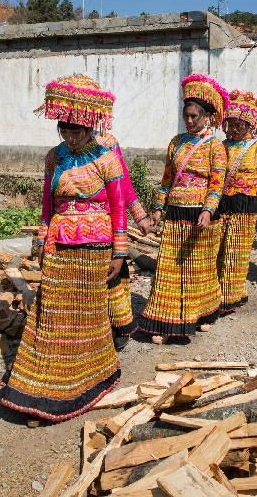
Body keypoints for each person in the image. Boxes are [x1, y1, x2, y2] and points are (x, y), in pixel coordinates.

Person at [0, 75, 126, 421]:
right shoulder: (53, 159)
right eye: (64, 130)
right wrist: (41, 238)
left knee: (88, 313)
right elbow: (46, 205)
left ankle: (90, 374)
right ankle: (42, 384)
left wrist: (120, 251)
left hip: (96, 247)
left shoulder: (107, 159)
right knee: (53, 312)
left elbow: (118, 208)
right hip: (59, 244)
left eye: (76, 131)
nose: (70, 137)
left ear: (89, 127)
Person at [137, 74, 228, 343]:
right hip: (176, 212)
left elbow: (217, 183)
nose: (189, 121)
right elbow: (167, 179)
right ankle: (166, 322)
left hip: (200, 214)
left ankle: (202, 313)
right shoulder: (176, 143)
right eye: (186, 115)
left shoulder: (216, 147)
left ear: (208, 117)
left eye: (194, 116)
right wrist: (157, 207)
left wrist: (208, 210)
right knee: (169, 267)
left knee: (198, 267)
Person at [216, 90, 257, 314]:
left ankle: (232, 294)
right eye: (230, 123)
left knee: (237, 250)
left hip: (246, 204)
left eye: (239, 124)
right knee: (220, 248)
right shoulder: (221, 146)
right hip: (223, 202)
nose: (233, 128)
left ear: (251, 126)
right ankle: (217, 291)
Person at [96, 131, 152, 350]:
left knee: (114, 269)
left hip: (108, 216)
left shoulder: (107, 143)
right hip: (77, 226)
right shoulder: (63, 152)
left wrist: (138, 213)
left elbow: (123, 182)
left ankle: (120, 324)